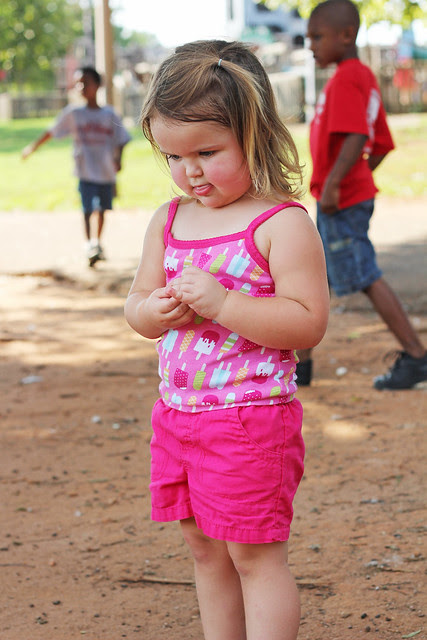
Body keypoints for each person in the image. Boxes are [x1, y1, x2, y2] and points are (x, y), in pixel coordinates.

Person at [125, 40, 329, 640]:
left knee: (254, 557)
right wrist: (154, 312)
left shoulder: (280, 223)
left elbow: (308, 322)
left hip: (250, 421)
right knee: (204, 550)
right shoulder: (169, 220)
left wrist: (224, 305)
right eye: (173, 156)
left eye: (207, 152)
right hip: (178, 417)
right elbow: (136, 305)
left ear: (254, 135)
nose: (189, 171)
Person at [298, 0, 427, 390]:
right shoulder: (360, 76)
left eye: (317, 37)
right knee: (310, 272)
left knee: (364, 274)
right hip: (342, 194)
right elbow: (381, 143)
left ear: (346, 35)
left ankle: (417, 357)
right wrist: (353, 178)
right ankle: (300, 367)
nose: (310, 45)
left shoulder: (347, 78)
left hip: (339, 200)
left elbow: (357, 135)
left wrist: (337, 184)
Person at [22, 66, 131, 267]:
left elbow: (122, 138)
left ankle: (97, 242)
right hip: (85, 170)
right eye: (78, 83)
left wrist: (119, 158)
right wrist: (33, 147)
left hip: (106, 171)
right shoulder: (74, 113)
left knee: (103, 209)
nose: (81, 87)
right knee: (87, 208)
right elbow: (52, 131)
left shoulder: (109, 114)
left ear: (97, 85)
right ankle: (89, 244)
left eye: (86, 82)